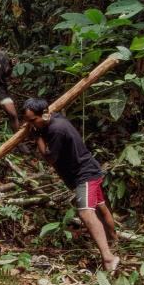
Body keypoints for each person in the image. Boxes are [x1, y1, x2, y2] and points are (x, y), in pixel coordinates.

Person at [22, 98, 119, 271]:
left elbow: (49, 157)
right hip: (87, 172)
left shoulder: (56, 129)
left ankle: (108, 257)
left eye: (32, 120)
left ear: (44, 115)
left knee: (86, 213)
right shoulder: (53, 119)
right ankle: (115, 243)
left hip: (85, 175)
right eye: (27, 120)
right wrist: (36, 128)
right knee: (100, 207)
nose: (30, 124)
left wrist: (37, 137)